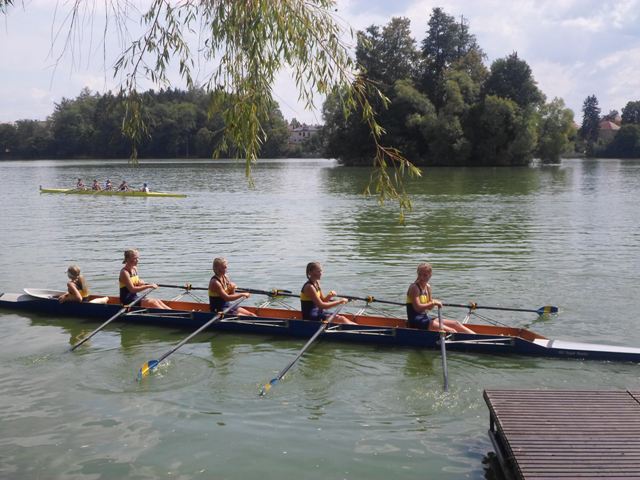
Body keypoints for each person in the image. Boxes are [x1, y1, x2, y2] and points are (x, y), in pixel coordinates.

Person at [406, 263, 474, 334]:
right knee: (451, 331)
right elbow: (417, 308)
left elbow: (429, 308)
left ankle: (477, 337)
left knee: (456, 324)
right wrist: (433, 303)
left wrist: (433, 303)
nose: (421, 277)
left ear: (430, 275)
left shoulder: (428, 287)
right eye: (420, 274)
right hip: (416, 321)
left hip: (425, 318)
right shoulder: (414, 287)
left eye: (425, 275)